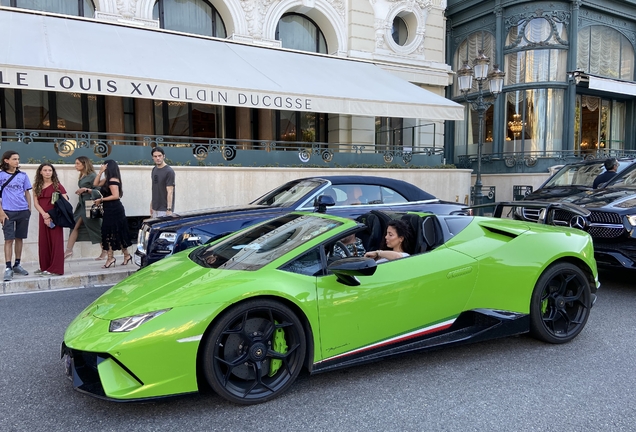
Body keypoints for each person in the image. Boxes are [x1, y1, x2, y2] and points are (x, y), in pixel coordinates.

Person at [64, 156, 107, 260]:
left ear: (84, 164)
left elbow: (98, 190)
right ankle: (68, 251)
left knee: (95, 227)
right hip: (82, 205)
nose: (76, 165)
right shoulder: (82, 175)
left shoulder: (92, 176)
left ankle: (105, 250)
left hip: (90, 205)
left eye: (78, 163)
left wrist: (85, 190)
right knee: (74, 226)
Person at [93, 160, 133, 268]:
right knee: (112, 233)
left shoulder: (113, 180)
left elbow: (116, 196)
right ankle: (126, 255)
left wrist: (101, 200)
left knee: (111, 233)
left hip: (115, 209)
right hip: (109, 209)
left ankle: (110, 258)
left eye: (104, 166)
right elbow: (95, 184)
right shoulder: (107, 179)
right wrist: (100, 172)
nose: (103, 167)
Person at [0, 151, 32, 281]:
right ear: (6, 160)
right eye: (14, 159)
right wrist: (1, 212)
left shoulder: (23, 175)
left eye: (18, 159)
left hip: (23, 211)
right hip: (7, 211)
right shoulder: (1, 175)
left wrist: (29, 208)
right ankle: (8, 267)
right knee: (9, 239)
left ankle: (17, 264)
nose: (17, 161)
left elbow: (27, 193)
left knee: (20, 238)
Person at [32, 163, 69, 276]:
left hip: (55, 217)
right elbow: (36, 203)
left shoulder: (57, 185)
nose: (48, 172)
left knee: (56, 242)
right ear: (40, 172)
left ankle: (55, 269)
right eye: (45, 170)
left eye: (50, 170)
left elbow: (65, 201)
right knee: (43, 242)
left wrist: (51, 215)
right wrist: (44, 215)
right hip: (43, 216)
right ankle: (44, 267)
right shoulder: (36, 186)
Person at [150, 147, 175, 218]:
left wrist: (169, 209)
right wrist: (151, 205)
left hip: (164, 209)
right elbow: (154, 188)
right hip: (155, 207)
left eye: (159, 156)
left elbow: (170, 191)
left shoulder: (169, 171)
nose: (158, 158)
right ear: (153, 157)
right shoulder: (154, 170)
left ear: (164, 156)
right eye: (155, 156)